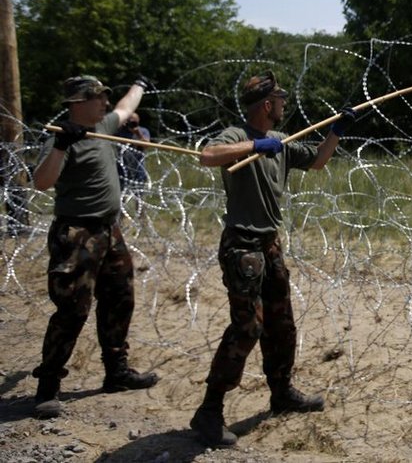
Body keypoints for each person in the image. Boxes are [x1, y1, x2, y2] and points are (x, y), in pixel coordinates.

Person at [190, 70, 357, 448]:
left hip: (268, 244)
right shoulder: (237, 136)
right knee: (248, 326)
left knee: (282, 323)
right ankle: (209, 411)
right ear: (268, 105)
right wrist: (253, 148)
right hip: (242, 246)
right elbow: (206, 156)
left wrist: (338, 130)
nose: (284, 105)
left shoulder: (282, 141)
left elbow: (317, 162)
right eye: (280, 100)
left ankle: (281, 392)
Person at [31, 75, 160, 419]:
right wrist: (61, 146)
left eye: (104, 98)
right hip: (77, 234)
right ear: (77, 103)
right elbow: (41, 182)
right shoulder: (60, 137)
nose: (104, 103)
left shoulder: (103, 125)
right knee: (73, 307)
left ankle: (116, 371)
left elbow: (125, 107)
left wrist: (141, 85)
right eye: (97, 98)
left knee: (120, 298)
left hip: (109, 229)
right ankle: (48, 385)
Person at [115, 112, 151, 216]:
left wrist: (138, 133)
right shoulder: (119, 131)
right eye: (129, 121)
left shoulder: (143, 131)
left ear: (138, 121)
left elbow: (146, 145)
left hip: (138, 169)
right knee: (121, 199)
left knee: (139, 198)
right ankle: (119, 221)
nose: (131, 123)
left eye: (134, 122)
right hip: (121, 169)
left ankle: (142, 222)